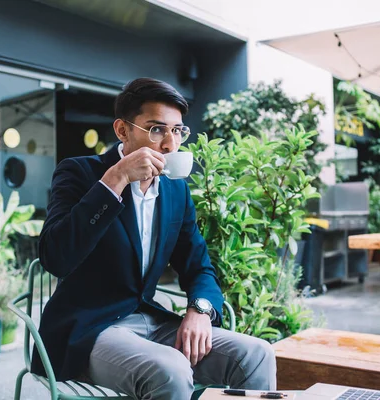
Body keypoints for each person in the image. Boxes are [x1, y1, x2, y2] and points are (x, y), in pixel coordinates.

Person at [31, 78, 276, 399]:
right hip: (89, 329)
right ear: (122, 130)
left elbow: (199, 266)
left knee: (257, 354)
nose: (170, 144)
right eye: (157, 129)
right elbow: (56, 257)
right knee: (170, 369)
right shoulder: (80, 173)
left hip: (151, 320)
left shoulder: (175, 190)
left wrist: (200, 310)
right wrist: (115, 179)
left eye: (177, 131)